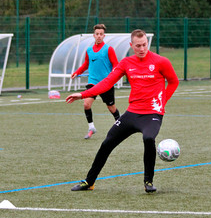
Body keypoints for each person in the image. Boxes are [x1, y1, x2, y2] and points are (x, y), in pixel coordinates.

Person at [66, 29, 179, 193]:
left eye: (144, 45)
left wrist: (162, 103)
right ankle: (89, 182)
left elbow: (173, 82)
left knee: (148, 138)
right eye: (138, 45)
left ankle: (148, 181)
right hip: (132, 113)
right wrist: (84, 94)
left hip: (152, 114)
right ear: (131, 45)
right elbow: (107, 82)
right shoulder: (126, 63)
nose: (142, 49)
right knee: (106, 143)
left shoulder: (161, 61)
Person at [71, 24, 120, 139]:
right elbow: (86, 64)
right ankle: (91, 127)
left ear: (104, 35)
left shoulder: (109, 49)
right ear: (94, 35)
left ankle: (119, 122)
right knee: (86, 104)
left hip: (106, 83)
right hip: (92, 82)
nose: (99, 36)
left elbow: (116, 65)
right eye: (97, 34)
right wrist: (77, 72)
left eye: (101, 34)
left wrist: (112, 76)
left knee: (111, 107)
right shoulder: (89, 50)